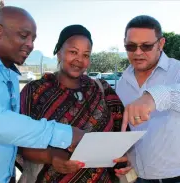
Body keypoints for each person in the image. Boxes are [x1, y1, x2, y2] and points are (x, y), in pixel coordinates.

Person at [0, 6, 84, 183]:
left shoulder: (9, 72)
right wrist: (65, 134)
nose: (31, 45)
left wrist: (52, 154)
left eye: (33, 39)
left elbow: (13, 131)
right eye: (24, 36)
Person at [17, 24, 128, 183]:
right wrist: (51, 156)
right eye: (73, 52)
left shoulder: (101, 89)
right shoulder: (34, 92)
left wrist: (126, 157)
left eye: (86, 55)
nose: (79, 60)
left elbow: (123, 135)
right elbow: (20, 142)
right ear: (59, 53)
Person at [116, 15, 180, 183]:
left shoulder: (177, 70)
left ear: (161, 44)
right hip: (138, 177)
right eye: (131, 46)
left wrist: (153, 97)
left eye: (146, 46)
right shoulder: (123, 82)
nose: (138, 52)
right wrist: (129, 157)